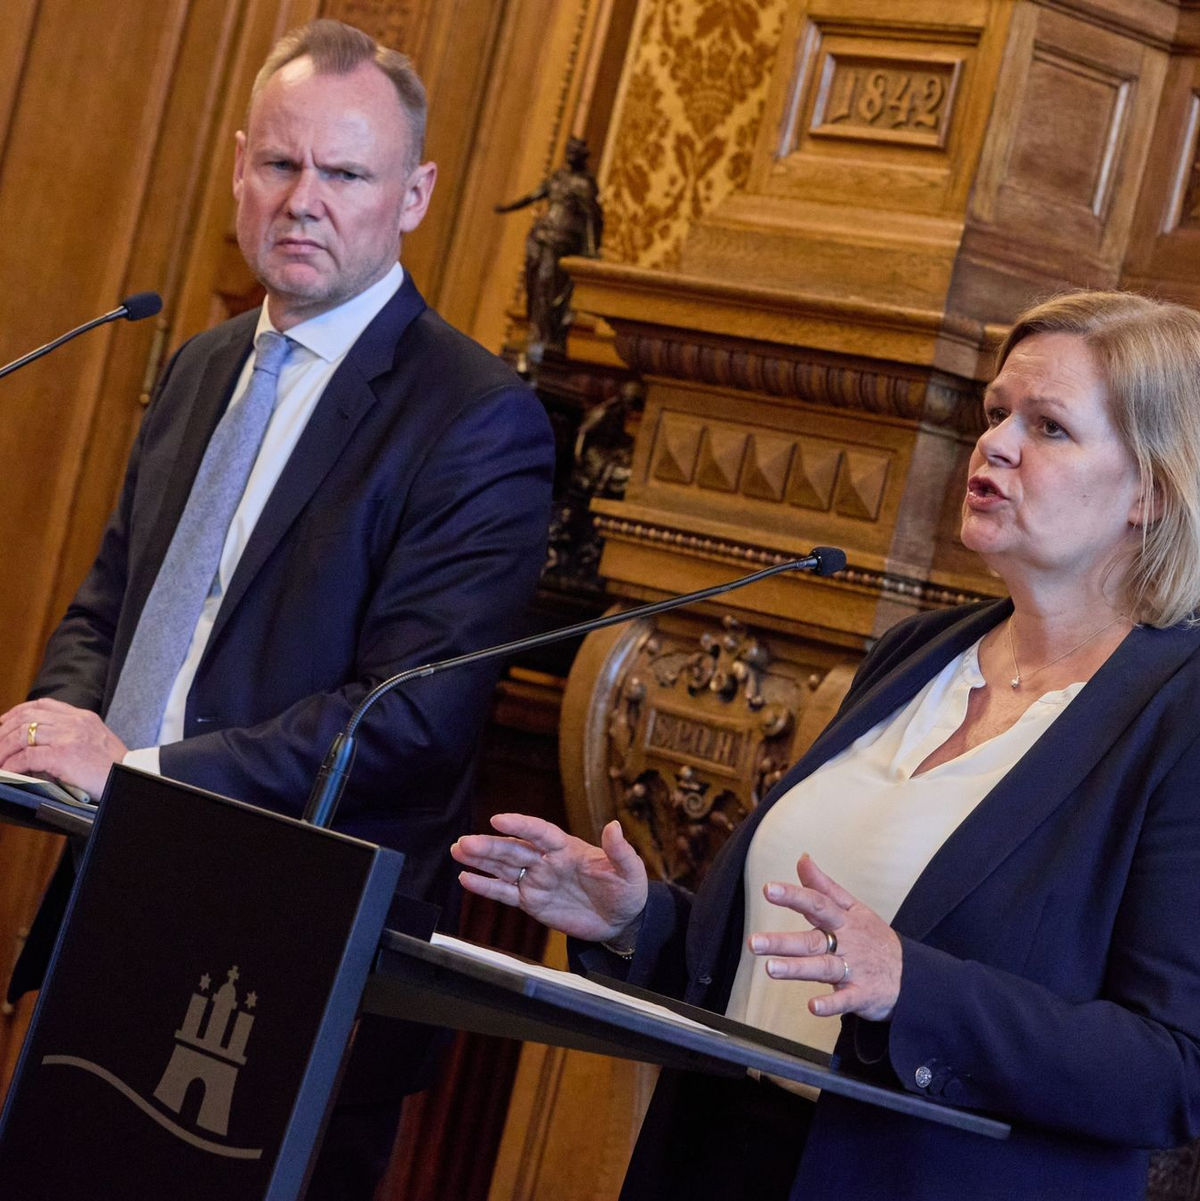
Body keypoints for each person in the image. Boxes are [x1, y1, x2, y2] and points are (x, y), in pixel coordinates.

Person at [453, 290, 1200, 1200]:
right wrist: (637, 919)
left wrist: (911, 989)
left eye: (1049, 427)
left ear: (1152, 490)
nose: (996, 444)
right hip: (724, 1153)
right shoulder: (920, 656)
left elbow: (1172, 1069)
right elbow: (788, 962)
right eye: (997, 412)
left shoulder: (1176, 712)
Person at [0, 18, 554, 1199]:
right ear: (240, 166)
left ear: (414, 194)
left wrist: (137, 770)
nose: (304, 200)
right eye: (280, 165)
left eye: (345, 174)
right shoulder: (204, 361)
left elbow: (409, 724)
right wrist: (55, 722)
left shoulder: (476, 420)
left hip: (295, 960)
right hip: (112, 894)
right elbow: (116, 596)